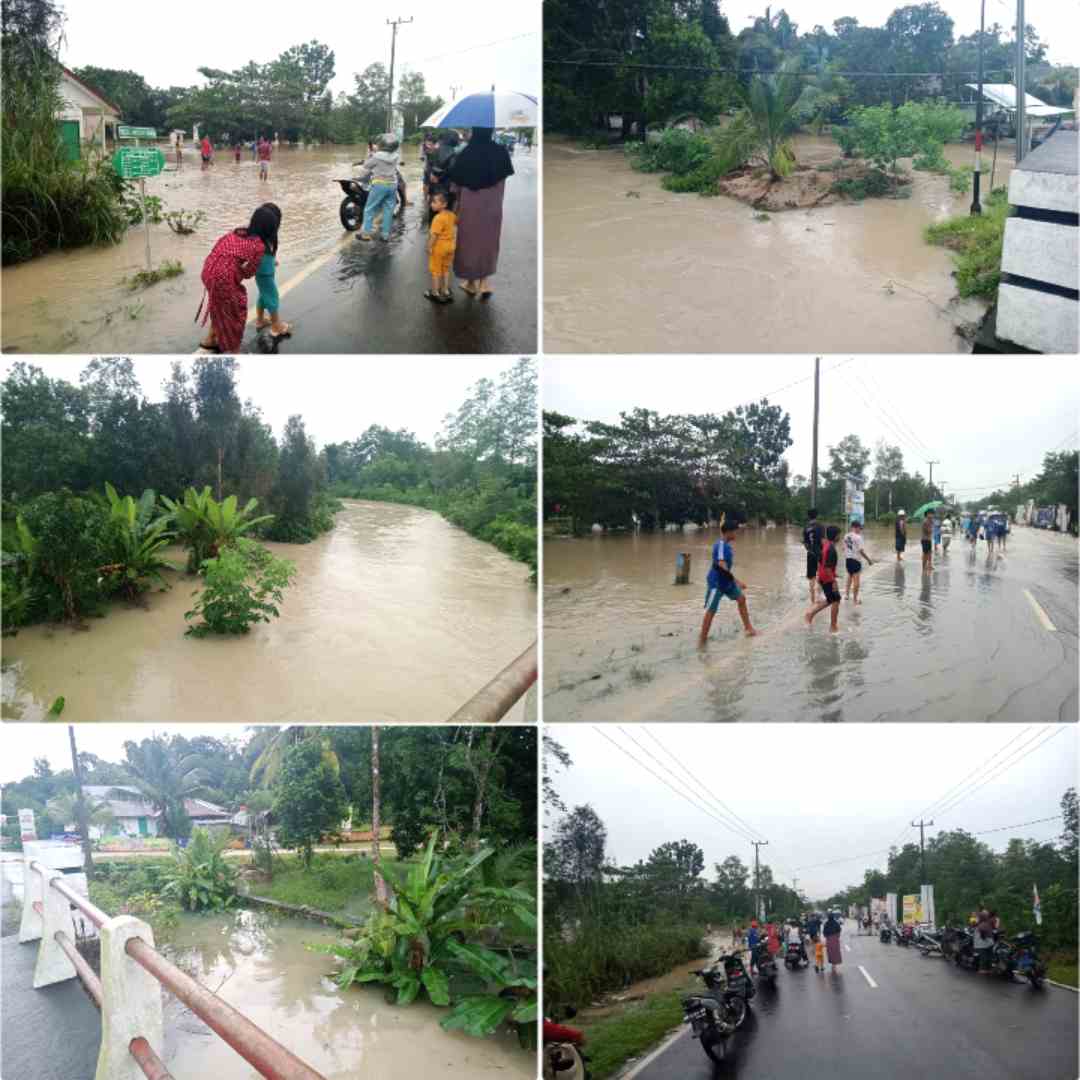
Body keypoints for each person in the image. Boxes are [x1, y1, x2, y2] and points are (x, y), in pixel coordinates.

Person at [447, 126, 515, 298]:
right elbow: (502, 178)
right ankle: (484, 283)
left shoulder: (465, 153)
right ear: (490, 132)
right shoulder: (501, 152)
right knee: (488, 241)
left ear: (474, 132)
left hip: (470, 206)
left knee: (469, 242)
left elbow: (455, 185)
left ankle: (470, 282)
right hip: (492, 206)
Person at [196, 209, 275, 352]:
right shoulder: (259, 246)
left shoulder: (235, 232)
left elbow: (219, 250)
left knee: (218, 305)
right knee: (236, 311)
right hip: (222, 279)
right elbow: (249, 273)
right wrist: (240, 270)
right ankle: (234, 351)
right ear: (269, 229)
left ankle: (210, 339)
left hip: (207, 270)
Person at [698, 521, 757, 644]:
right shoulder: (720, 545)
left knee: (741, 599)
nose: (737, 534)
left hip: (726, 581)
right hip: (717, 582)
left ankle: (748, 628)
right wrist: (737, 581)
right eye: (736, 531)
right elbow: (721, 565)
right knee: (711, 610)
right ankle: (702, 640)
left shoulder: (727, 546)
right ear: (729, 532)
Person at [251, 203, 291, 340]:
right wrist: (269, 262)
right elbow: (261, 256)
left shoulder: (261, 237)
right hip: (264, 274)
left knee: (263, 295)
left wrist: (272, 261)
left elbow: (267, 254)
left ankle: (260, 320)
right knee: (272, 296)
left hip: (266, 271)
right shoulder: (258, 242)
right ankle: (276, 326)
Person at [357, 134, 401, 243]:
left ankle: (366, 234)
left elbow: (366, 166)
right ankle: (385, 236)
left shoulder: (377, 156)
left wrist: (373, 153)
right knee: (388, 210)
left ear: (382, 144)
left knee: (369, 209)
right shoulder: (396, 155)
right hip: (392, 185)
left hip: (379, 185)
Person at [805, 525, 841, 632]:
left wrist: (834, 574)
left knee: (831, 599)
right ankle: (833, 626)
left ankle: (810, 615)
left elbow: (823, 562)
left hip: (823, 576)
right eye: (839, 535)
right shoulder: (831, 549)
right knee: (836, 599)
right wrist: (833, 581)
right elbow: (827, 567)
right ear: (835, 536)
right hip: (827, 578)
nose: (840, 537)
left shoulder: (826, 545)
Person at [425, 189, 457, 304]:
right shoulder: (452, 215)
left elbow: (434, 236)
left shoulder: (437, 218)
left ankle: (435, 293)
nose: (431, 204)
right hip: (451, 246)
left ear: (444, 204)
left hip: (440, 248)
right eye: (431, 202)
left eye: (434, 202)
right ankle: (446, 290)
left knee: (435, 270)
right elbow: (455, 223)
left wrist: (429, 247)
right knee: (446, 269)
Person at [843, 519, 874, 604]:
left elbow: (844, 548)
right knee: (856, 580)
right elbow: (861, 551)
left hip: (848, 560)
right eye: (860, 528)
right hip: (856, 560)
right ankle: (855, 600)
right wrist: (869, 560)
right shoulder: (858, 537)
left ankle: (846, 595)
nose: (860, 530)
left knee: (849, 576)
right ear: (855, 527)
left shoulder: (846, 536)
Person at [803, 509, 825, 604]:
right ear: (817, 515)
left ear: (808, 516)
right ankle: (819, 597)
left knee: (811, 576)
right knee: (820, 574)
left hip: (810, 553)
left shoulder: (806, 527)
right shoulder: (820, 526)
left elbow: (805, 543)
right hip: (820, 553)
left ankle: (812, 600)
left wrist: (809, 550)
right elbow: (822, 541)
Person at [973, 905, 995, 975]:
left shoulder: (982, 924)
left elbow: (982, 931)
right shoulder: (987, 923)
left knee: (984, 956)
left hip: (983, 943)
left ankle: (983, 969)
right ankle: (989, 969)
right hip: (989, 942)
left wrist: (983, 937)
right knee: (989, 956)